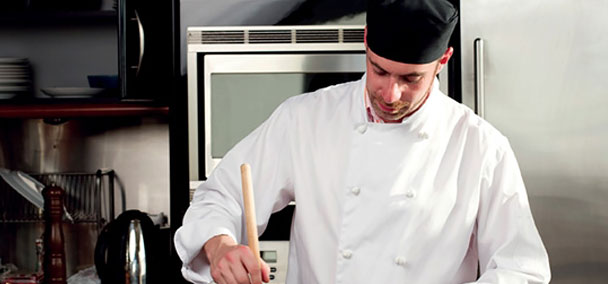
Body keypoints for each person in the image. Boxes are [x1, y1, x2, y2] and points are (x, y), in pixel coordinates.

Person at [175, 0, 551, 283]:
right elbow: (220, 196)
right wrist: (221, 245)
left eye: (411, 79)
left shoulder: (480, 147)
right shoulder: (305, 118)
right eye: (379, 70)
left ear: (443, 61)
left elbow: (521, 269)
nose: (390, 94)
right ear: (366, 43)